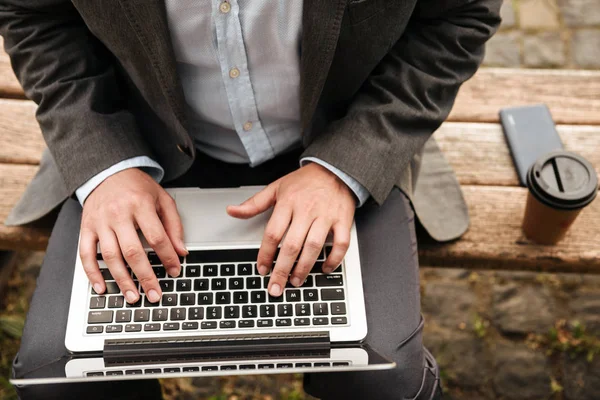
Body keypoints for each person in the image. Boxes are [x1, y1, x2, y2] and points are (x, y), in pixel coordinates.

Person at [0, 1, 501, 399]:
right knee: (60, 375)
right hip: (137, 141)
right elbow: (34, 16)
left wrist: (344, 169)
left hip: (340, 133)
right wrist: (107, 168)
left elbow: (458, 17)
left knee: (380, 376)